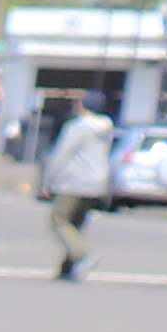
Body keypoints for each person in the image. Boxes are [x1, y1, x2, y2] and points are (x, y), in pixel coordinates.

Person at [37, 95, 120, 283]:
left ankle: (83, 255)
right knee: (75, 225)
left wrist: (47, 182)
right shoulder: (107, 128)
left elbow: (62, 154)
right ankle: (67, 268)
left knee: (58, 220)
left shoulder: (78, 127)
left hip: (74, 182)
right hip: (97, 183)